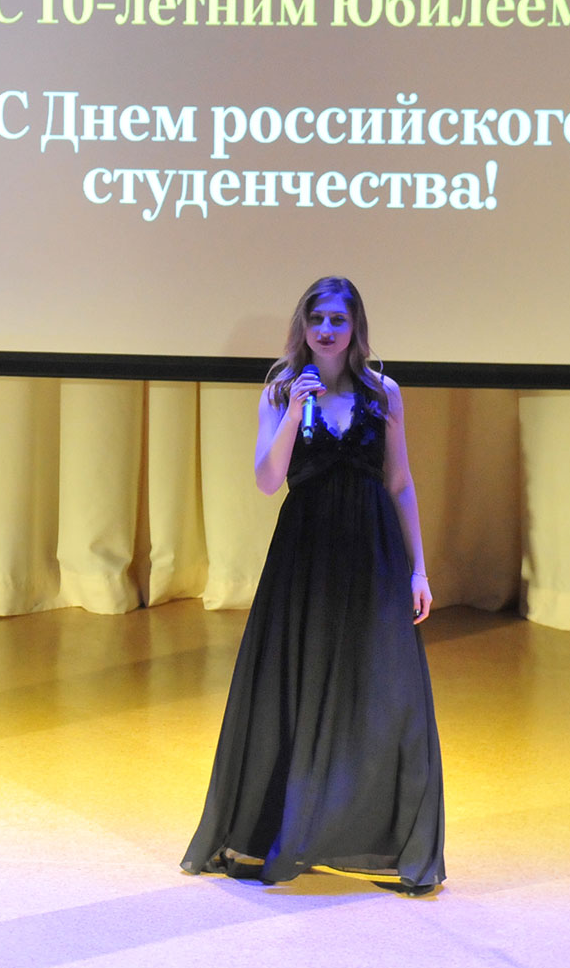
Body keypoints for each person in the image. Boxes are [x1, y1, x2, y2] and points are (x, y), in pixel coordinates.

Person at [181, 276, 446, 895]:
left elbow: (400, 482)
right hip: (305, 554)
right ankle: (285, 829)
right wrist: (293, 413)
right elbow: (267, 479)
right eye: (317, 318)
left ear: (355, 328)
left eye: (338, 320)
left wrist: (419, 568)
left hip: (372, 552)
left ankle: (370, 832)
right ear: (303, 326)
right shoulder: (280, 391)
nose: (326, 330)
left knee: (383, 691)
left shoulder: (383, 392)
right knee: (295, 687)